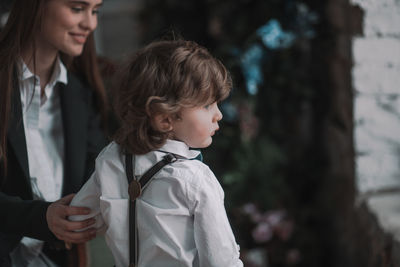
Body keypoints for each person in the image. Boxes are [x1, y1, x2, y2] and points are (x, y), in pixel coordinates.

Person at [69, 39, 244, 267]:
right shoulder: (196, 179)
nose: (218, 115)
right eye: (207, 105)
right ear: (165, 118)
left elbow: (79, 218)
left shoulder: (112, 158)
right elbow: (222, 260)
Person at [0, 0, 109, 266]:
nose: (90, 23)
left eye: (95, 11)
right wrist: (39, 217)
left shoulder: (81, 94)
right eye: (77, 8)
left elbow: (98, 174)